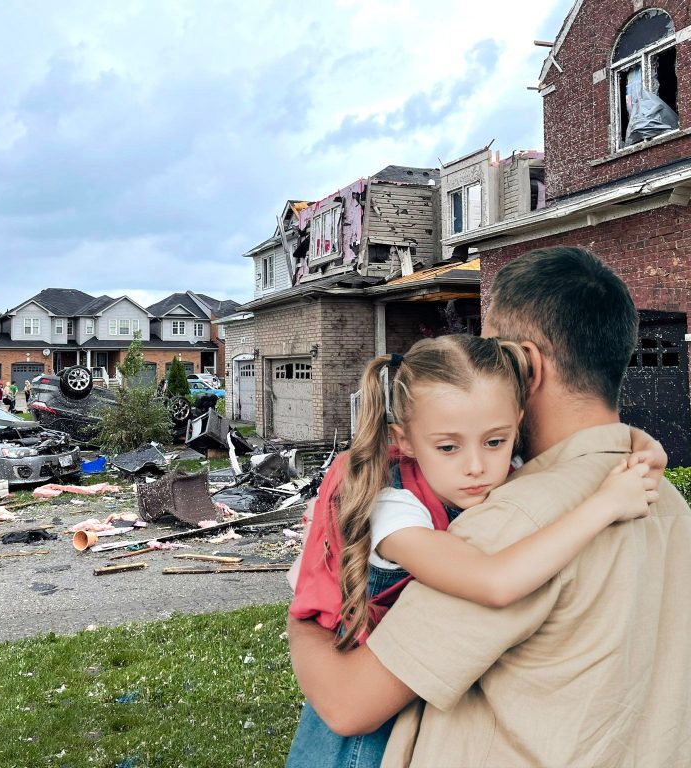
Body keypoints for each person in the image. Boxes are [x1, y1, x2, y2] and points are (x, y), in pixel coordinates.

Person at [288, 247, 691, 768]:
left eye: (495, 353)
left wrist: (304, 621)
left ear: (528, 367)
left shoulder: (509, 524)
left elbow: (347, 704)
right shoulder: (665, 498)